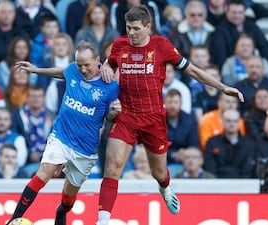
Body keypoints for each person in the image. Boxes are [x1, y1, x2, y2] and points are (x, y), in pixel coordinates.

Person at [97, 5, 243, 224]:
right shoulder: (119, 45)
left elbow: (192, 70)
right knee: (112, 167)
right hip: (126, 116)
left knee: (159, 173)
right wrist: (107, 65)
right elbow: (109, 62)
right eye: (128, 28)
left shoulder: (161, 46)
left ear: (148, 27)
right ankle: (102, 220)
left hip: (153, 119)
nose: (132, 33)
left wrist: (223, 88)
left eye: (136, 28)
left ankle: (165, 188)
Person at [6, 40, 120, 225]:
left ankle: (61, 212)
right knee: (44, 172)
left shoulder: (110, 86)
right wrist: (36, 70)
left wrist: (115, 112)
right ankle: (12, 220)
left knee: (68, 199)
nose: (82, 69)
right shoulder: (73, 70)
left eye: (86, 65)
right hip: (61, 136)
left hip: (84, 149)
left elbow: (112, 118)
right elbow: (63, 72)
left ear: (98, 59)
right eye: (79, 64)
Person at [209, 0, 268, 69]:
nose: (237, 16)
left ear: (244, 13)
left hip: (252, 68)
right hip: (230, 70)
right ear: (227, 13)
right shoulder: (220, 30)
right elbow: (220, 55)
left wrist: (261, 65)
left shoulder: (251, 26)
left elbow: (265, 48)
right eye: (234, 12)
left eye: (240, 13)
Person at [11, 86, 53, 177]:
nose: (36, 99)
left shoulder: (51, 115)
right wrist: (29, 153)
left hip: (48, 159)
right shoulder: (17, 115)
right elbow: (14, 137)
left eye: (39, 96)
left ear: (43, 98)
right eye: (33, 96)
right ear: (27, 98)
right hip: (24, 160)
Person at [203, 109, 257, 178]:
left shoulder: (249, 144)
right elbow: (210, 168)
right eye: (228, 121)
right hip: (216, 184)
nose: (232, 124)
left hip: (242, 184)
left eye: (235, 121)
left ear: (239, 123)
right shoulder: (212, 142)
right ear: (222, 122)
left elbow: (248, 169)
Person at [165, 89, 199, 177]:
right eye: (170, 102)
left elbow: (194, 143)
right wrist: (172, 154)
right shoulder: (158, 120)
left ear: (181, 103)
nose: (173, 106)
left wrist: (185, 153)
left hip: (186, 159)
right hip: (164, 159)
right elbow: (156, 144)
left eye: (176, 102)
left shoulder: (189, 119)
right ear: (165, 103)